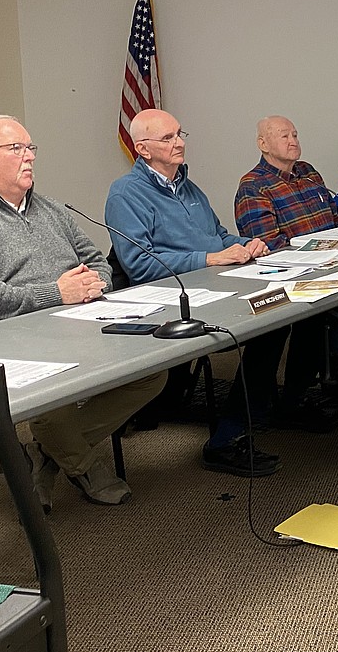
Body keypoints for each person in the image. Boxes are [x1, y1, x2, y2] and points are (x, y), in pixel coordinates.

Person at [0, 114, 165, 510]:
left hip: (82, 322)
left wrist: (91, 285)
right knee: (54, 404)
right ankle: (84, 466)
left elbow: (99, 263)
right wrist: (56, 293)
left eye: (31, 148)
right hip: (20, 338)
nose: (28, 157)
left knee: (152, 371)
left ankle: (46, 453)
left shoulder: (53, 209)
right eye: (15, 148)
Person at [105, 109, 280, 477]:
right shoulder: (126, 193)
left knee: (278, 318)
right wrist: (212, 257)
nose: (179, 142)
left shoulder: (189, 186)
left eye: (180, 134)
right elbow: (139, 264)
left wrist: (246, 243)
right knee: (264, 327)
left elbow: (217, 236)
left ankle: (249, 419)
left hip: (212, 285)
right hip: (165, 298)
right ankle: (226, 440)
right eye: (167, 138)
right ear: (142, 149)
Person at [233, 115, 338, 432]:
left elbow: (335, 219)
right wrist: (322, 256)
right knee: (313, 316)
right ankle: (294, 396)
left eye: (295, 134)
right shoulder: (253, 186)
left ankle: (324, 378)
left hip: (332, 263)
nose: (292, 140)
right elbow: (270, 245)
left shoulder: (308, 173)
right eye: (283, 135)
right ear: (262, 144)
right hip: (291, 277)